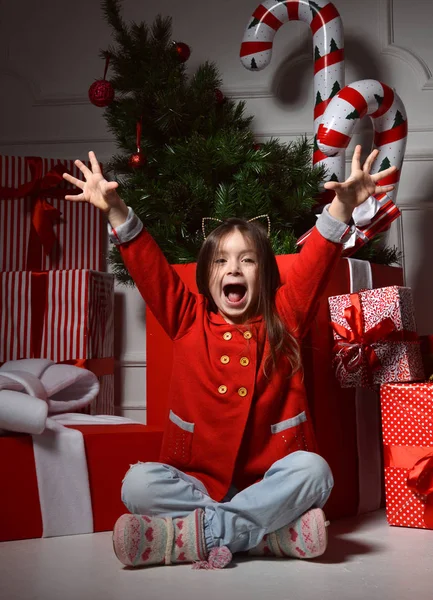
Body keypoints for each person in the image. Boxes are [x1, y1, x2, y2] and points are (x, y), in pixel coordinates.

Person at [63, 146, 396, 569]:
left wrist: (343, 205)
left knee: (315, 472)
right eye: (221, 260)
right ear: (207, 275)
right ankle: (269, 536)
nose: (233, 268)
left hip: (268, 479)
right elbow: (151, 271)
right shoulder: (186, 319)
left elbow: (314, 263)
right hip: (199, 483)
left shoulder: (285, 318)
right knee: (137, 484)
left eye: (247, 260)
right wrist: (116, 210)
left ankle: (188, 538)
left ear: (265, 274)